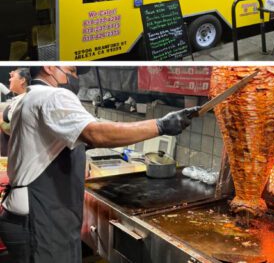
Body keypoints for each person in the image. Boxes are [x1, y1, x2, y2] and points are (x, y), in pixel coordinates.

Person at [0, 66, 200, 263]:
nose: (75, 77)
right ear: (50, 67)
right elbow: (96, 134)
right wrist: (160, 125)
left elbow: (43, 140)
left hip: (26, 216)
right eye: (72, 71)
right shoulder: (52, 96)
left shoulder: (27, 97)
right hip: (39, 222)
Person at [0, 68, 31, 156]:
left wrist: (1, 120)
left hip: (19, 153)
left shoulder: (26, 100)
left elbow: (14, 128)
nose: (9, 79)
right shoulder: (18, 98)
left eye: (12, 76)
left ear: (22, 80)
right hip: (10, 153)